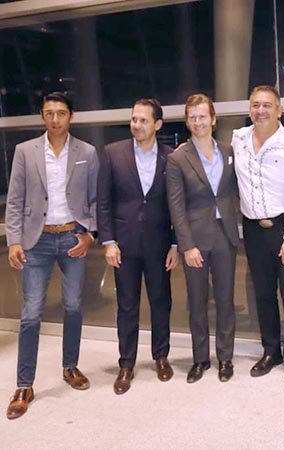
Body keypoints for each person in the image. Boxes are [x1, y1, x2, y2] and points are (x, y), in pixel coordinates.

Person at [5, 92, 98, 419]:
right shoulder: (25, 151)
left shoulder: (87, 152)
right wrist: (13, 240)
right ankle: (24, 384)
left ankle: (70, 366)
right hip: (37, 241)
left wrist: (90, 234)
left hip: (72, 238)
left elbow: (96, 199)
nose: (55, 119)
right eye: (49, 113)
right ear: (42, 116)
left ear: (71, 116)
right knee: (31, 313)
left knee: (73, 306)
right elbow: (15, 199)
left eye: (60, 113)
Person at [97, 98, 178, 395]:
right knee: (127, 305)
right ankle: (126, 364)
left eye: (144, 120)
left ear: (157, 124)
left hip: (160, 245)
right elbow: (103, 202)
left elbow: (176, 205)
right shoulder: (112, 153)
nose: (137, 125)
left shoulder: (171, 158)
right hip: (124, 244)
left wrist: (175, 244)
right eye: (134, 119)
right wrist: (108, 241)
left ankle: (161, 356)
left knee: (161, 301)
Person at [232, 85, 284, 388]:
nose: (260, 110)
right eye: (255, 105)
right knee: (262, 294)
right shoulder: (239, 140)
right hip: (253, 230)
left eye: (267, 105)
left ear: (279, 110)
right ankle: (271, 352)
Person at [166, 93, 239, 383]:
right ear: (187, 122)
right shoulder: (177, 158)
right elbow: (176, 206)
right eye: (192, 117)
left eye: (202, 116)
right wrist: (187, 246)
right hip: (195, 240)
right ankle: (200, 359)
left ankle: (225, 357)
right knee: (197, 302)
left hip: (225, 234)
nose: (198, 122)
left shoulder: (228, 151)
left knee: (225, 300)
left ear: (213, 119)